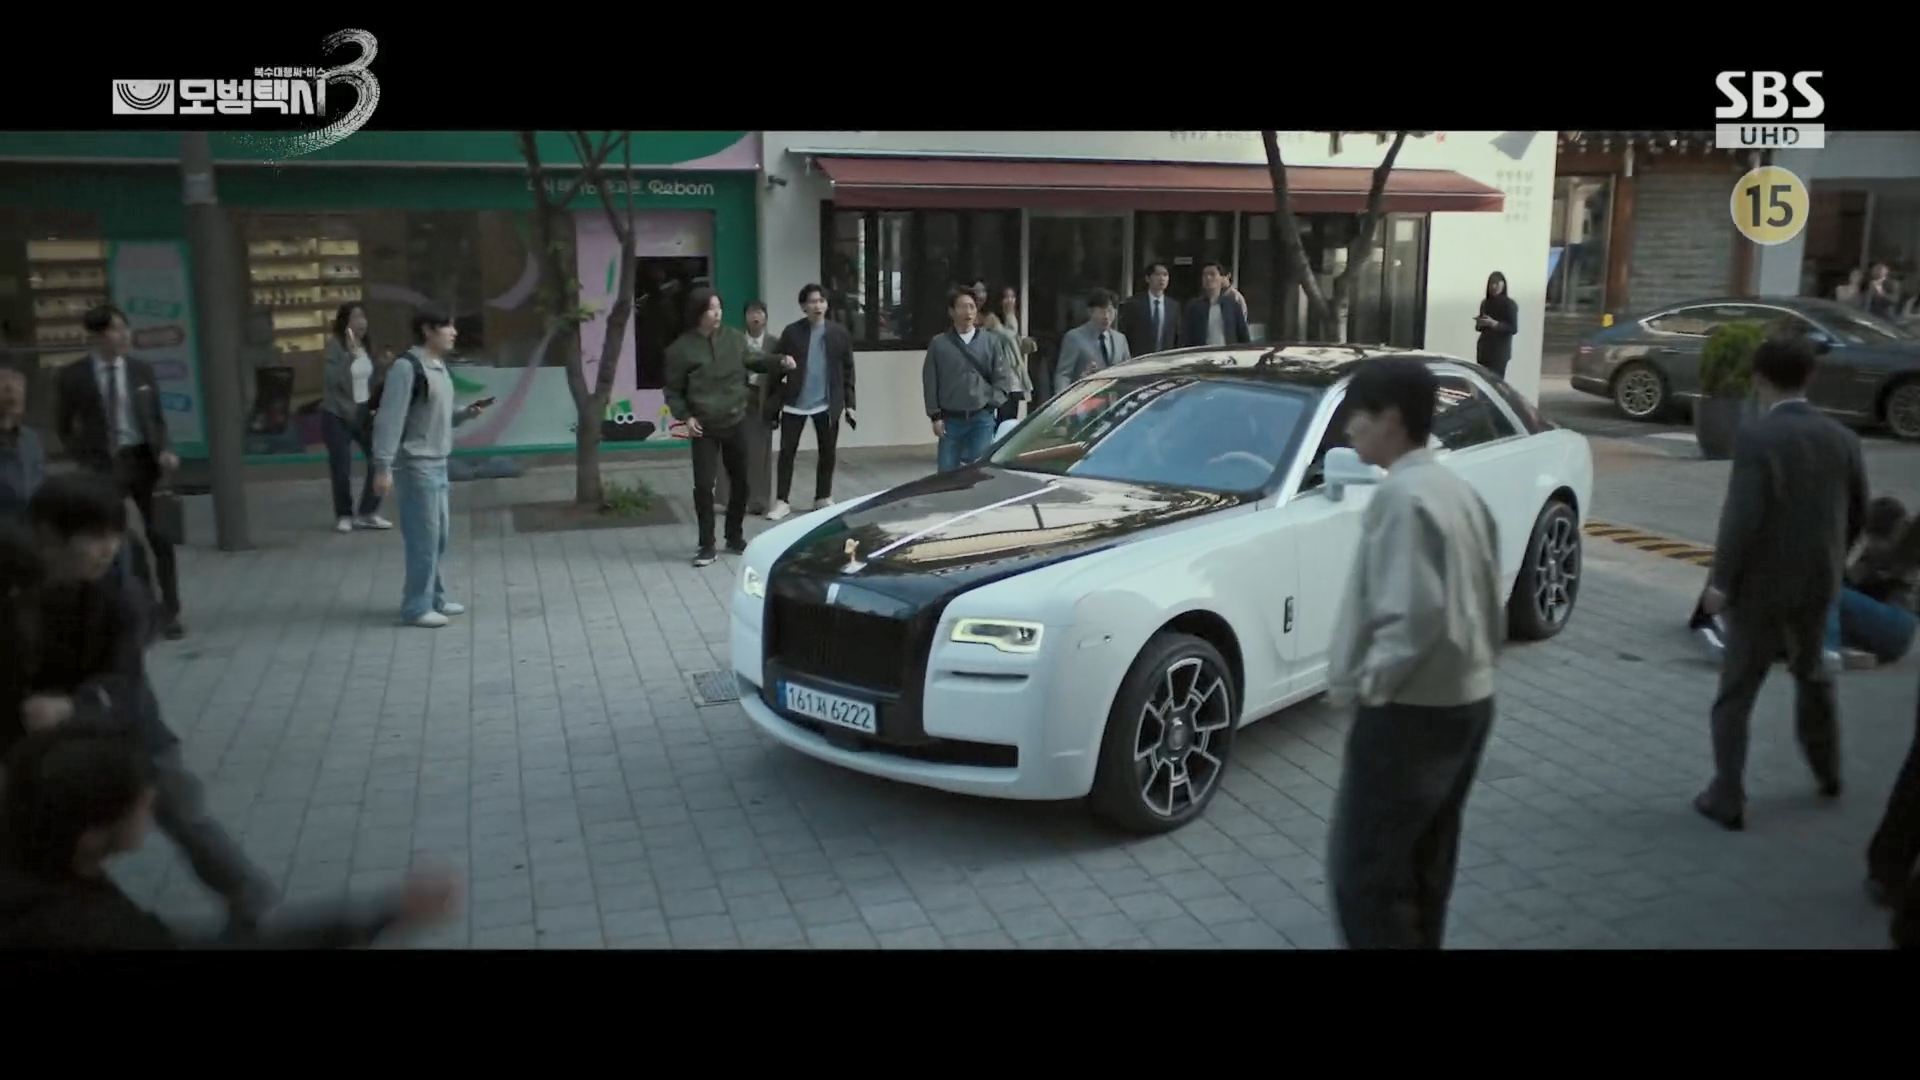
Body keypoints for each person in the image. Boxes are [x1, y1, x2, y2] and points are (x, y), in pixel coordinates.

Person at [20, 472, 278, 930]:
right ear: (48, 539)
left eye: (114, 535)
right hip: (40, 740)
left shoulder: (122, 594)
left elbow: (125, 678)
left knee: (182, 811)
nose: (107, 548)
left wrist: (73, 707)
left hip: (127, 727)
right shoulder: (19, 591)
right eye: (93, 537)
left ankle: (249, 896)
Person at [1324, 356, 1504, 949]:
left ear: (1393, 420)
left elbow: (1414, 614)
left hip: (1411, 712)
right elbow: (1488, 593)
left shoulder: (1402, 497)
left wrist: (1371, 687)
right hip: (1468, 700)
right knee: (1427, 862)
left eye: (1359, 415)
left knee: (1368, 877)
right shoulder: (1455, 489)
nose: (1349, 428)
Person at [0, 722, 461, 948]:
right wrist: (381, 916)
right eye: (142, 802)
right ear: (91, 835)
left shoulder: (35, 864)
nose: (152, 803)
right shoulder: (87, 928)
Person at [1694, 334, 1869, 831]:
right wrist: (1834, 561)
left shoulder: (1757, 438)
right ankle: (1828, 773)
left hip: (1759, 589)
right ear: (1809, 377)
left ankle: (1728, 795)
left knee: (1737, 691)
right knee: (1812, 677)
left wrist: (1720, 582)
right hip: (1817, 583)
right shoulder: (1843, 438)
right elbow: (1858, 510)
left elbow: (1742, 518)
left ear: (1759, 379)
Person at [55, 304, 185, 640]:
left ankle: (170, 610)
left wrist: (165, 449)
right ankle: (135, 607)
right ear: (97, 336)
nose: (124, 335)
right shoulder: (74, 376)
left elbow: (156, 419)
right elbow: (64, 426)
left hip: (144, 460)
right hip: (104, 465)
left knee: (161, 536)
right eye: (115, 329)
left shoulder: (141, 371)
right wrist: (84, 458)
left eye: (125, 328)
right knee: (114, 538)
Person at [370, 311, 492, 629]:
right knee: (423, 539)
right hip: (416, 465)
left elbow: (437, 412)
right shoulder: (406, 367)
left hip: (439, 462)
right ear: (427, 330)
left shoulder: (438, 366)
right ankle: (416, 607)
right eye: (446, 326)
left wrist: (465, 413)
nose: (454, 332)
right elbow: (390, 418)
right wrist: (383, 466)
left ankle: (434, 598)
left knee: (438, 537)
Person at [665, 287, 794, 566]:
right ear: (698, 313)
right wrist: (686, 416)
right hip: (703, 426)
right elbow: (673, 391)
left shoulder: (734, 339)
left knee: (742, 482)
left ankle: (734, 536)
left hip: (735, 420)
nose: (717, 313)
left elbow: (755, 359)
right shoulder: (681, 349)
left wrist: (780, 361)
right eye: (711, 309)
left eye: (719, 308)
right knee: (704, 486)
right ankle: (706, 545)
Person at [765, 285, 854, 522]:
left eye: (821, 301)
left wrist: (850, 402)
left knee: (827, 451)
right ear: (803, 306)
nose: (818, 306)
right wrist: (774, 401)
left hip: (826, 402)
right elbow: (776, 365)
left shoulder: (838, 333)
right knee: (787, 452)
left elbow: (847, 369)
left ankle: (823, 496)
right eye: (812, 301)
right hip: (795, 401)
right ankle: (782, 501)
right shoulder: (792, 332)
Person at [922, 287, 1011, 473]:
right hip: (950, 420)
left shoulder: (991, 342)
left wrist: (991, 404)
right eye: (962, 307)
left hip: (981, 419)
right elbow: (930, 381)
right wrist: (935, 416)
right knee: (946, 473)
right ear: (951, 312)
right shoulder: (939, 344)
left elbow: (1002, 378)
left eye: (972, 307)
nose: (968, 312)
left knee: (978, 473)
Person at [321, 302, 390, 534]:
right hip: (337, 413)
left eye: (363, 317)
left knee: (379, 458)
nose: (361, 322)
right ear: (345, 323)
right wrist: (349, 356)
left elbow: (370, 380)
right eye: (355, 318)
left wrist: (381, 367)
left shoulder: (367, 345)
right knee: (341, 467)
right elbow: (333, 380)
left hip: (363, 412)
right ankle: (344, 514)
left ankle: (368, 512)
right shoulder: (335, 347)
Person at [1053, 289, 1131, 397]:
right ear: (1090, 312)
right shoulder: (1074, 337)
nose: (1106, 316)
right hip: (1084, 400)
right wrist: (1063, 399)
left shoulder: (1120, 339)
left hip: (1114, 402)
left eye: (1110, 311)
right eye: (1102, 312)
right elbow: (1064, 375)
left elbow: (1128, 372)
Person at [740, 300, 779, 517]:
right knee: (737, 449)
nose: (755, 317)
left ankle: (759, 500)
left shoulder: (774, 343)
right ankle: (735, 498)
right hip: (740, 399)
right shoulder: (737, 341)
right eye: (751, 313)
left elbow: (781, 375)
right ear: (745, 317)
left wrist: (775, 406)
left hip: (764, 400)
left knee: (761, 453)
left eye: (759, 313)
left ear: (765, 317)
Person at [0, 366, 44, 522]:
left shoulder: (30, 438)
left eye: (20, 390)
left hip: (29, 524)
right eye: (7, 389)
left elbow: (38, 481)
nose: (16, 395)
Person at [981, 292, 1033, 424]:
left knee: (1010, 421)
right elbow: (1008, 336)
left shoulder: (1012, 321)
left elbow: (1013, 340)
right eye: (1007, 297)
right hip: (998, 382)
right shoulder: (991, 320)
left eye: (1012, 297)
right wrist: (1009, 316)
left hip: (1014, 382)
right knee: (999, 421)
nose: (1010, 301)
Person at [1119, 263, 1183, 357]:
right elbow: (1126, 332)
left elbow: (1177, 336)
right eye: (1157, 274)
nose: (1162, 278)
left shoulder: (1173, 306)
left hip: (1166, 358)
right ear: (1147, 278)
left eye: (1165, 275)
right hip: (1140, 357)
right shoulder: (1134, 304)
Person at [1183, 263, 1251, 347]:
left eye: (1212, 274)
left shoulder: (1232, 305)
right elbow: (1186, 336)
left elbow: (1243, 333)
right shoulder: (1194, 306)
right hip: (1202, 352)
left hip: (1227, 352)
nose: (1208, 278)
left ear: (1222, 278)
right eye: (1205, 275)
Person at [1475, 271, 1519, 380]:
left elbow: (1513, 328)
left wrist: (1495, 324)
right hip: (1484, 350)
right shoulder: (1485, 303)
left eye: (1497, 283)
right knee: (1482, 380)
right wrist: (1480, 323)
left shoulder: (1510, 304)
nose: (1494, 287)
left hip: (1499, 352)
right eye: (1491, 284)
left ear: (1503, 285)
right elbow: (1479, 328)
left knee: (1496, 381)